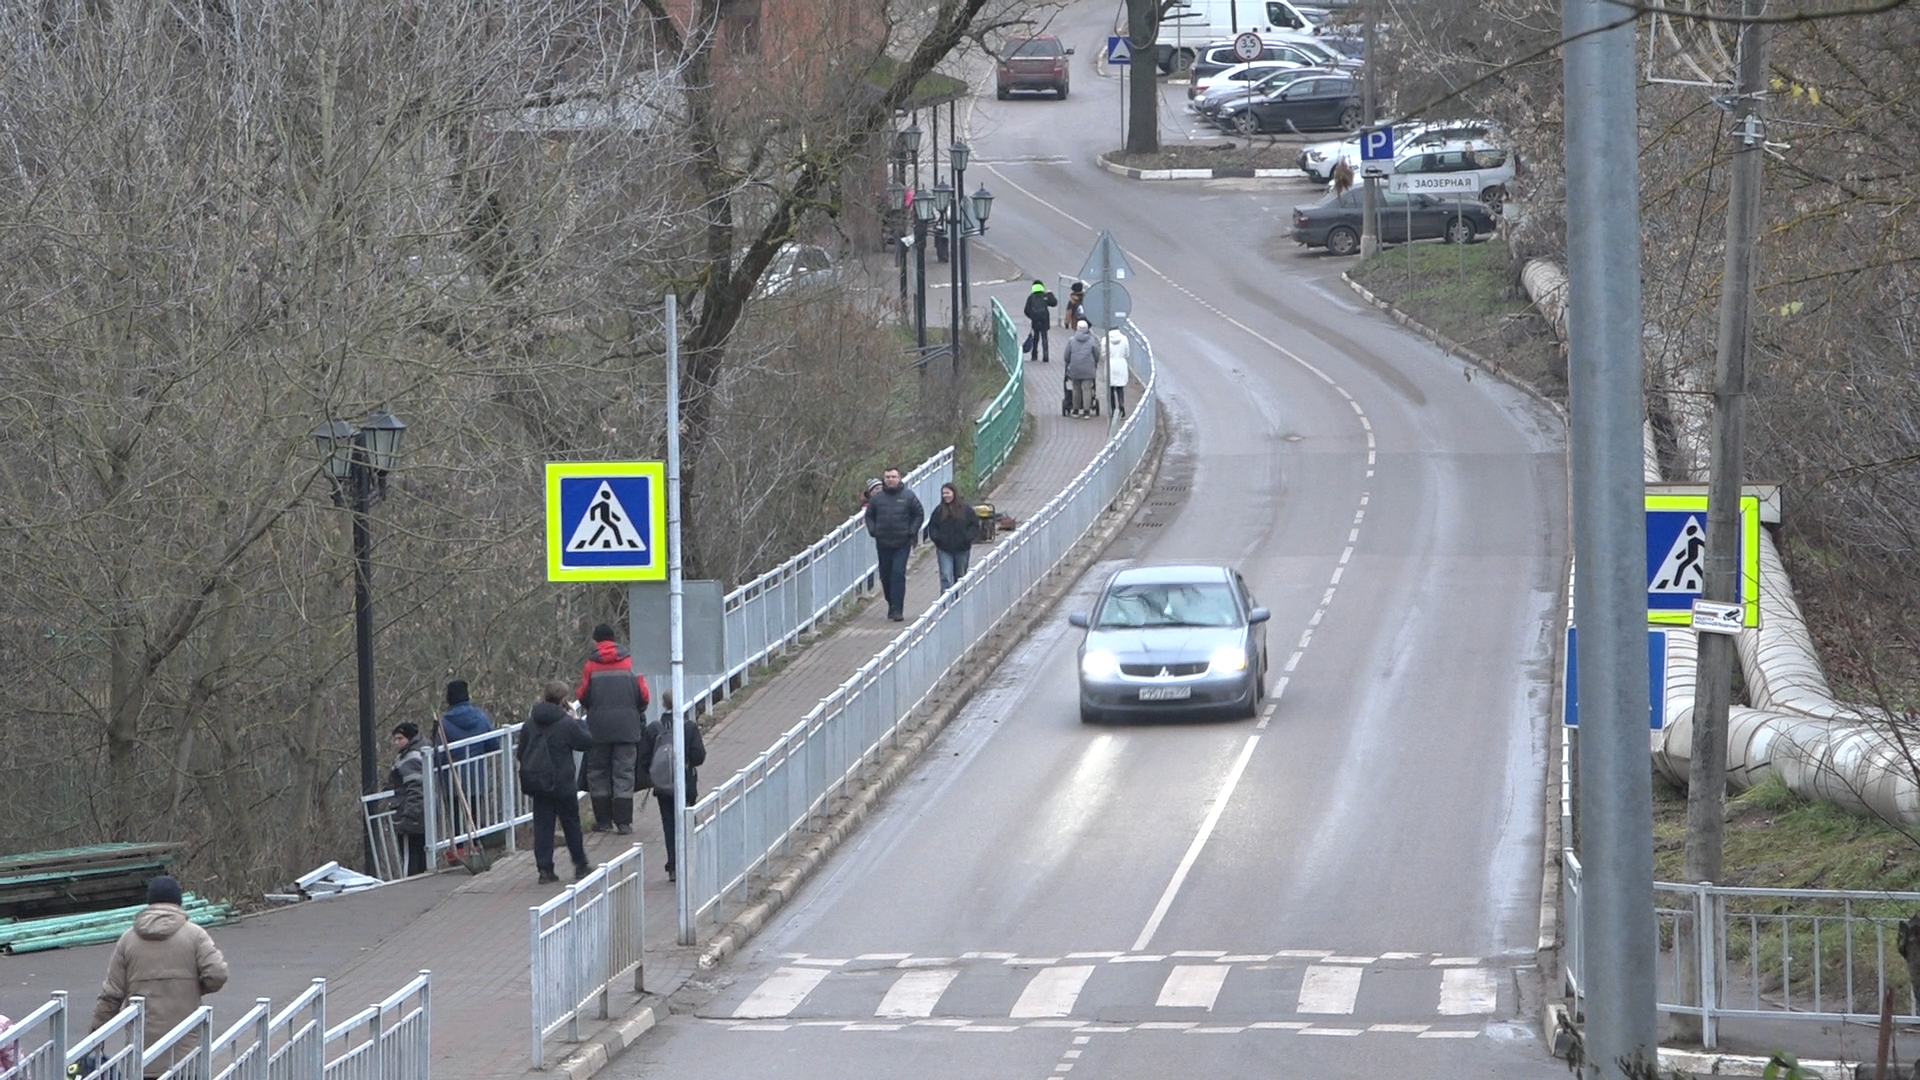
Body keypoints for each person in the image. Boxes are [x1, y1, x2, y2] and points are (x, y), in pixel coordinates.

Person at [92, 875, 228, 1078]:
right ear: (179, 902)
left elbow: (111, 996)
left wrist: (95, 1039)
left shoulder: (128, 940)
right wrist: (194, 987)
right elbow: (217, 974)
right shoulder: (195, 935)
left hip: (140, 1055)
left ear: (149, 902)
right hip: (186, 1054)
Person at [517, 680, 596, 884]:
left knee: (543, 825)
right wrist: (577, 720)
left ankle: (545, 869)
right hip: (562, 782)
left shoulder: (530, 723)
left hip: (539, 782)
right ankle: (580, 864)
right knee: (570, 823)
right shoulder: (566, 723)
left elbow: (521, 752)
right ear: (563, 700)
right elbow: (586, 742)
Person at [577, 623, 651, 835]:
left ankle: (603, 821)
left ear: (596, 641)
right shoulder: (630, 662)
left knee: (597, 772)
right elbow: (644, 695)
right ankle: (624, 823)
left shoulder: (591, 665)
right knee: (624, 773)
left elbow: (582, 695)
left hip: (598, 728)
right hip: (628, 728)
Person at [639, 692, 707, 883]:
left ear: (663, 704)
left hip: (663, 786)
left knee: (668, 823)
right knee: (686, 821)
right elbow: (699, 756)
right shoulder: (689, 727)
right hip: (685, 782)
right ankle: (689, 862)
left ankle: (674, 866)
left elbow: (644, 760)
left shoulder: (654, 728)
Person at [863, 467, 924, 622]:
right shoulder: (877, 499)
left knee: (898, 574)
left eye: (893, 476)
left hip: (902, 542)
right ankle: (891, 603)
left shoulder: (908, 496)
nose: (890, 479)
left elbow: (919, 514)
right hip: (883, 542)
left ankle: (898, 609)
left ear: (899, 478)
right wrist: (873, 530)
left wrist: (912, 531)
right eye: (887, 477)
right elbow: (869, 516)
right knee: (885, 575)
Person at [437, 679, 496, 830]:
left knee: (456, 817)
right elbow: (494, 745)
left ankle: (460, 846)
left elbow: (439, 756)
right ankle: (476, 844)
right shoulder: (482, 718)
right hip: (477, 775)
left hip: (453, 778)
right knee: (474, 813)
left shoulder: (443, 723)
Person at [388, 722, 430, 876]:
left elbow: (416, 789)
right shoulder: (422, 751)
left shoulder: (410, 758)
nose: (396, 742)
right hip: (422, 816)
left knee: (410, 861)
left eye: (400, 738)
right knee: (421, 858)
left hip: (411, 816)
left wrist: (408, 816)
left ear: (409, 738)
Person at [924, 483, 976, 592]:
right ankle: (946, 605)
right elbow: (932, 527)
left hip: (962, 549)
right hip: (944, 549)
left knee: (960, 576)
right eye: (943, 493)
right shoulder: (939, 511)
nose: (945, 496)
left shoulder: (966, 510)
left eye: (947, 493)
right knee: (946, 576)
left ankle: (959, 601)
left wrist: (967, 538)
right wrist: (938, 540)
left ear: (954, 493)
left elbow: (974, 525)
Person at [1064, 320, 1099, 418]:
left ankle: (1075, 410)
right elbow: (1096, 354)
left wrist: (1068, 363)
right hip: (1088, 369)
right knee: (1087, 389)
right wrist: (1095, 362)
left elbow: (1066, 355)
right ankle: (1086, 411)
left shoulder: (1072, 340)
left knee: (1076, 388)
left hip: (1075, 368)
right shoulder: (1092, 340)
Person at [1021, 280, 1057, 362]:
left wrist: (1032, 317)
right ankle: (1045, 355)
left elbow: (1026, 310)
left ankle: (1034, 355)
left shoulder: (1031, 297)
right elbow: (1054, 303)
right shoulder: (1045, 296)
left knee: (1035, 338)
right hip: (1044, 320)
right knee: (1044, 337)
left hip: (1035, 320)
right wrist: (1050, 294)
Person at [1104, 327, 1132, 418]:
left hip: (1110, 365)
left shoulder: (1105, 339)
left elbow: (1103, 354)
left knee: (1111, 389)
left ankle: (1113, 409)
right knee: (1120, 388)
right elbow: (1127, 353)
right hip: (1121, 364)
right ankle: (1121, 405)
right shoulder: (1124, 339)